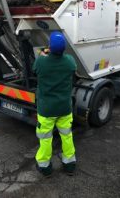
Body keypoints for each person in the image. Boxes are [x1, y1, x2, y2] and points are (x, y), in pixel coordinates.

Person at [33, 31, 77, 177]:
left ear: (50, 47)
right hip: (64, 108)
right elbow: (72, 68)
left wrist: (43, 54)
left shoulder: (41, 61)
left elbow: (35, 69)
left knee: (45, 139)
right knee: (67, 136)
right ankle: (69, 165)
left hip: (46, 110)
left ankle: (45, 167)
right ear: (64, 48)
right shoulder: (69, 61)